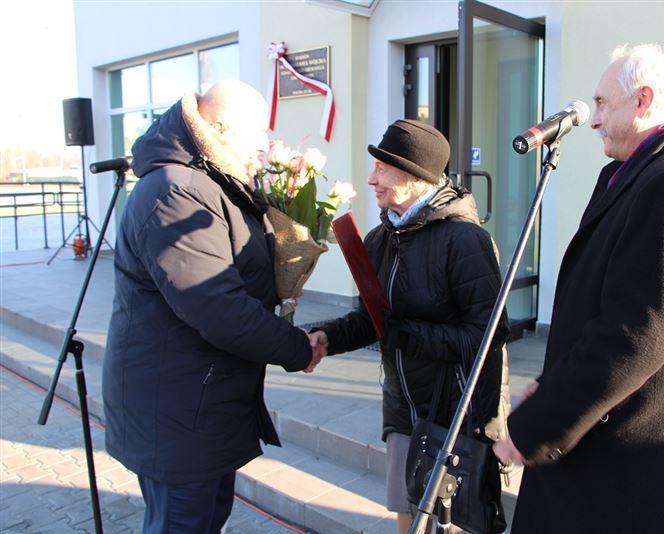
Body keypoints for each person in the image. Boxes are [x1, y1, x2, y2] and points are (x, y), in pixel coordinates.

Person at [493, 44, 664, 533]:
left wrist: (541, 422)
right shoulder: (646, 175)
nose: (595, 119)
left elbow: (634, 335)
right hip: (620, 443)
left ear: (642, 101)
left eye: (603, 103)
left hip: (636, 461)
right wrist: (555, 382)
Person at [102, 80, 322, 533]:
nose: (264, 142)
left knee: (205, 520)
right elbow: (218, 308)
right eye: (256, 130)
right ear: (220, 128)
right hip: (178, 412)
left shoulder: (209, 182)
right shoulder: (177, 191)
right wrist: (297, 348)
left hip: (201, 403)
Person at [307, 119, 510, 533]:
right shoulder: (381, 238)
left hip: (457, 414)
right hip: (404, 410)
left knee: (454, 522)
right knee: (409, 515)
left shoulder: (464, 240)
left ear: (415, 176)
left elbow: (488, 336)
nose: (371, 179)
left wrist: (413, 337)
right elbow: (373, 319)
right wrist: (327, 336)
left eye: (382, 169)